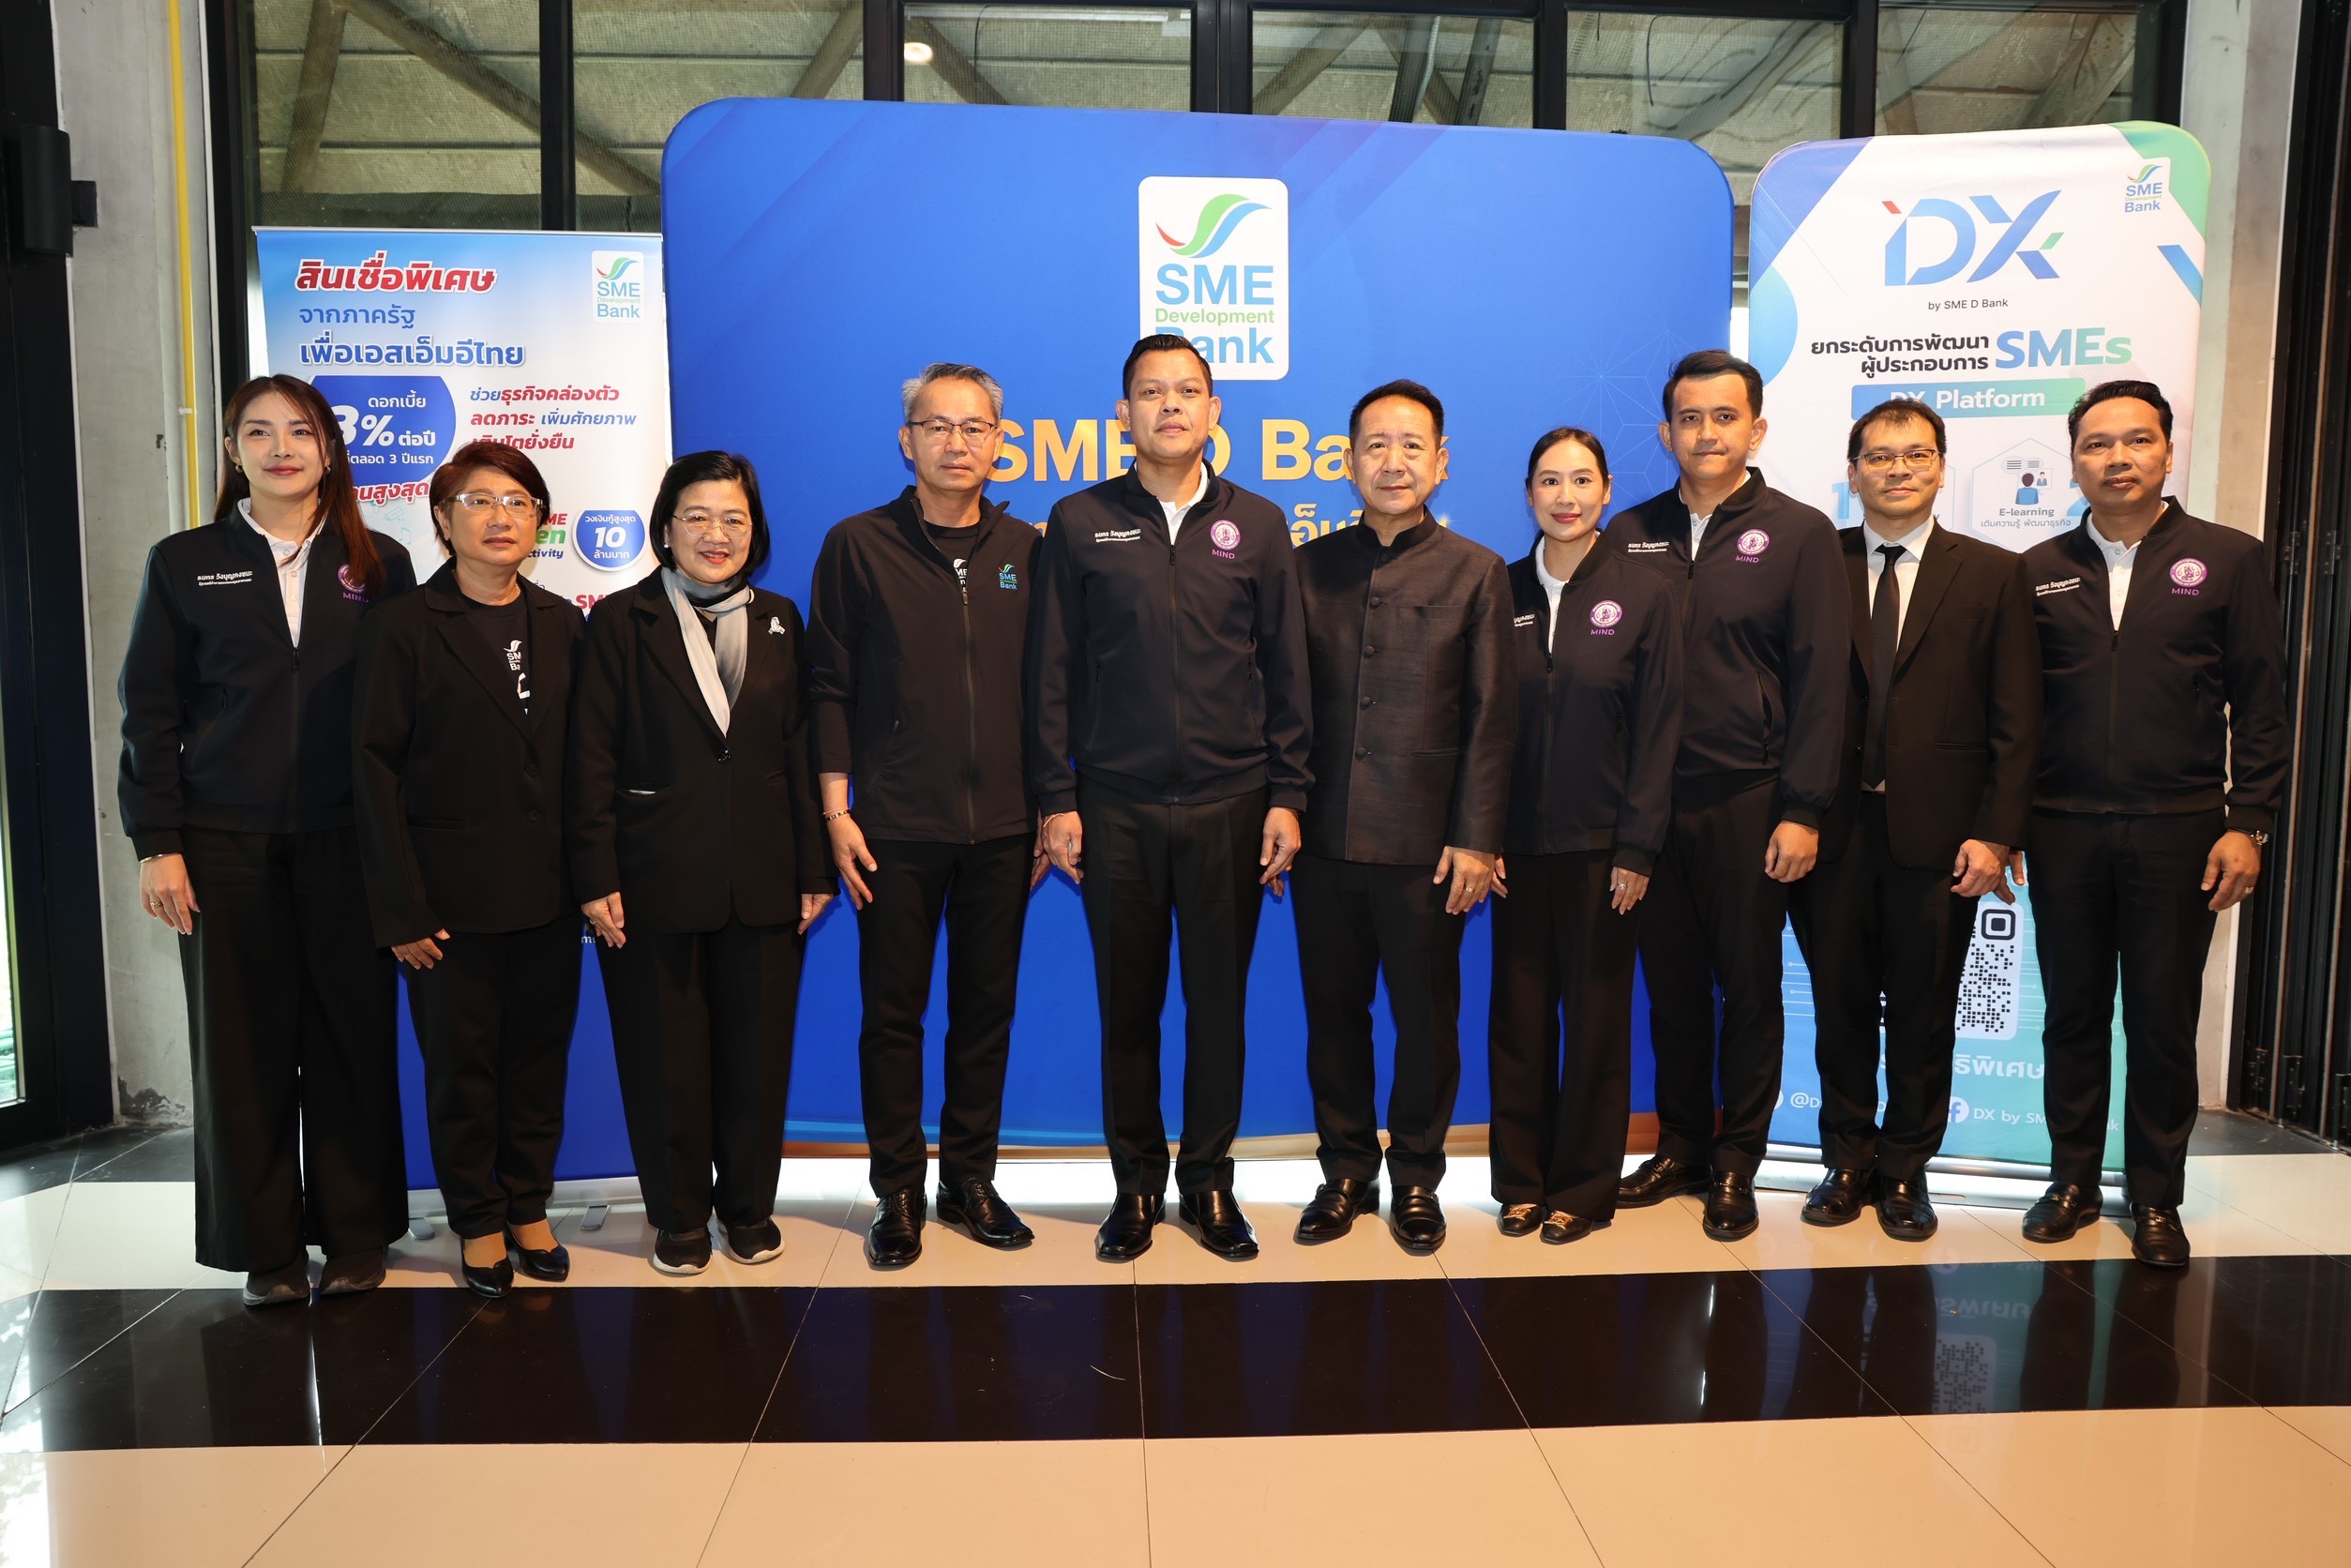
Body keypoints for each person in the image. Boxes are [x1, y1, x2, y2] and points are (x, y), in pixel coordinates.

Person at [118, 373, 416, 1308]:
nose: (281, 448)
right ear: (233, 450)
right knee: (240, 1052)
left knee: (349, 1039)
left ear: (329, 448)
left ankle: (356, 1232)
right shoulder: (184, 561)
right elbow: (148, 709)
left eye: (300, 431)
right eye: (258, 432)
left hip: (348, 840)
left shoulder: (380, 561)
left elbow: (407, 715)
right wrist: (157, 841)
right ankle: (266, 1249)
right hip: (223, 843)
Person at [1028, 333, 1312, 1263]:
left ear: (1213, 410)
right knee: (1129, 1007)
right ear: (1124, 414)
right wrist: (1056, 797)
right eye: (1150, 392)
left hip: (1234, 804)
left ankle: (1209, 1183)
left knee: (1217, 1007)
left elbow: (1286, 671)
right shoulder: (1078, 520)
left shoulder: (1258, 524)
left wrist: (1286, 793)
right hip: (1114, 805)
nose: (1170, 407)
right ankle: (1137, 1185)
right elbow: (1050, 672)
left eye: (1187, 391)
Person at [2016, 380, 2287, 1268]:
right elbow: (2014, 715)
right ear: (2073, 463)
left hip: (2179, 829)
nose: (2116, 458)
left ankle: (2156, 1196)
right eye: (2096, 444)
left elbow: (2262, 703)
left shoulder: (2227, 558)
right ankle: (2070, 1181)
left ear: (2168, 453)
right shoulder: (2036, 568)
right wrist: (2004, 823)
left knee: (2163, 1020)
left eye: (2136, 440)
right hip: (2061, 827)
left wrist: (2249, 819)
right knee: (2071, 1014)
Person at [566, 450, 835, 1275]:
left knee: (757, 1059)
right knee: (663, 1059)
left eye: (734, 519)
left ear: (755, 532)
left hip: (763, 876)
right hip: (650, 878)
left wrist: (814, 869)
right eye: (698, 517)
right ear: (665, 528)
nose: (716, 535)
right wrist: (594, 875)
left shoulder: (781, 619)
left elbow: (799, 751)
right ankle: (679, 1218)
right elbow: (589, 757)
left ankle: (748, 1210)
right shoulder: (620, 620)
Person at [806, 363, 1046, 1269]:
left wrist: (1048, 808)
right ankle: (898, 1190)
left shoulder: (1029, 549)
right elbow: (828, 687)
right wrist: (836, 810)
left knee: (986, 1014)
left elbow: (1051, 692)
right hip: (893, 827)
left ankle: (969, 1182)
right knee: (892, 1017)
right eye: (937, 426)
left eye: (974, 427)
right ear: (906, 441)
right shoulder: (857, 545)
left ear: (999, 441)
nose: (956, 442)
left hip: (1005, 829)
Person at [1786, 401, 2041, 1242]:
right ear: (1851, 471)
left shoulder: (1993, 572)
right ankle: (1845, 1160)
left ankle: (1904, 1169)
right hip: (1828, 830)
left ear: (1939, 467)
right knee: (1839, 1008)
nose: (1896, 469)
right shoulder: (1812, 563)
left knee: (1925, 1014)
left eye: (1915, 455)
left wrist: (1997, 832)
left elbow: (2017, 716)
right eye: (1878, 456)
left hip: (1943, 838)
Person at [1606, 350, 1845, 1241]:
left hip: (1751, 798)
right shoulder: (1628, 531)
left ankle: (1738, 1158)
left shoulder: (1799, 533)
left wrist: (1803, 807)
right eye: (1688, 418)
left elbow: (1822, 681)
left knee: (1747, 988)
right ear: (1665, 431)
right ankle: (1679, 1146)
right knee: (1669, 988)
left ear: (1756, 428)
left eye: (1723, 416)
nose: (1705, 433)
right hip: (1647, 807)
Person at [353, 440, 586, 1297]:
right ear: (443, 522)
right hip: (445, 902)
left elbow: (584, 763)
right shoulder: (403, 626)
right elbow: (373, 770)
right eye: (479, 501)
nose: (500, 517)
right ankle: (478, 1221)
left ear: (540, 523)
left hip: (549, 892)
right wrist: (400, 907)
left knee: (538, 1062)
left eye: (518, 502)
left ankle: (528, 1206)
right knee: (462, 1071)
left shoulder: (564, 623)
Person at [1289, 381, 1513, 1255]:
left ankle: (1417, 1175)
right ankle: (1345, 1171)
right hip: (1322, 840)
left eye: (1411, 446)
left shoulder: (1475, 571)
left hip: (1428, 847)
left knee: (1425, 1021)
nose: (1393, 462)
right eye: (1375, 446)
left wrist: (1476, 837)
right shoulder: (1306, 569)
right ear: (1347, 463)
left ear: (1440, 462)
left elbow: (1491, 718)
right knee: (1333, 1017)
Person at [1487, 428, 1680, 1244]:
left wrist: (1637, 848)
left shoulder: (1645, 593)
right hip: (1511, 851)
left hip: (1604, 852)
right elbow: (1476, 725)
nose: (1563, 497)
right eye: (1547, 481)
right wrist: (1479, 834)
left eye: (1579, 480)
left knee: (1596, 1023)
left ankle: (1583, 1186)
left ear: (1605, 491)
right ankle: (1519, 1182)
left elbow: (1658, 731)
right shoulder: (1496, 589)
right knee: (1518, 1021)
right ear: (1528, 493)